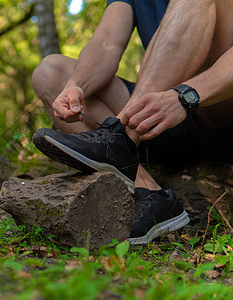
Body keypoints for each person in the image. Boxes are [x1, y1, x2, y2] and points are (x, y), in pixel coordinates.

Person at [31, 0, 233, 245]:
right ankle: (150, 193)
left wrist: (184, 96)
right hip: (161, 117)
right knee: (50, 73)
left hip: (216, 104)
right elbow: (106, 44)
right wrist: (76, 86)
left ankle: (122, 137)